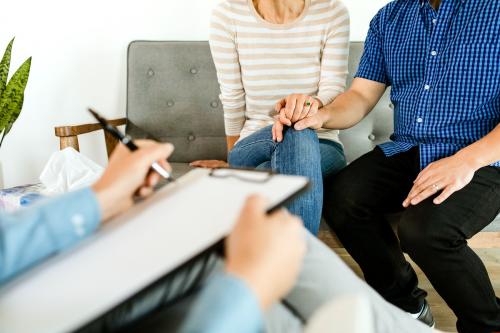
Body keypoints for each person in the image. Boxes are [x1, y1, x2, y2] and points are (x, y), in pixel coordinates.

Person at [1, 140, 437, 333]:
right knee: (269, 270)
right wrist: (246, 287)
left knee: (298, 144)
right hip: (41, 312)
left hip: (30, 285)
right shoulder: (233, 15)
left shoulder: (328, 15)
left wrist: (98, 200)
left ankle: (284, 258)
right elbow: (235, 110)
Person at [272, 0, 500, 332]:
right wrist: (321, 115)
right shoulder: (390, 18)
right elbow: (362, 96)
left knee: (425, 232)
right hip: (410, 149)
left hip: (483, 156)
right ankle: (404, 305)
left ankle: (488, 323)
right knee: (343, 198)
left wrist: (465, 161)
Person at [190, 0, 350, 234]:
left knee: (299, 129)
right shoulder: (228, 14)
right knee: (295, 131)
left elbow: (332, 91)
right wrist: (233, 161)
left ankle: (285, 262)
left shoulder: (332, 12)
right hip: (254, 143)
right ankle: (301, 261)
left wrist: (304, 109)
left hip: (322, 143)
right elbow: (233, 97)